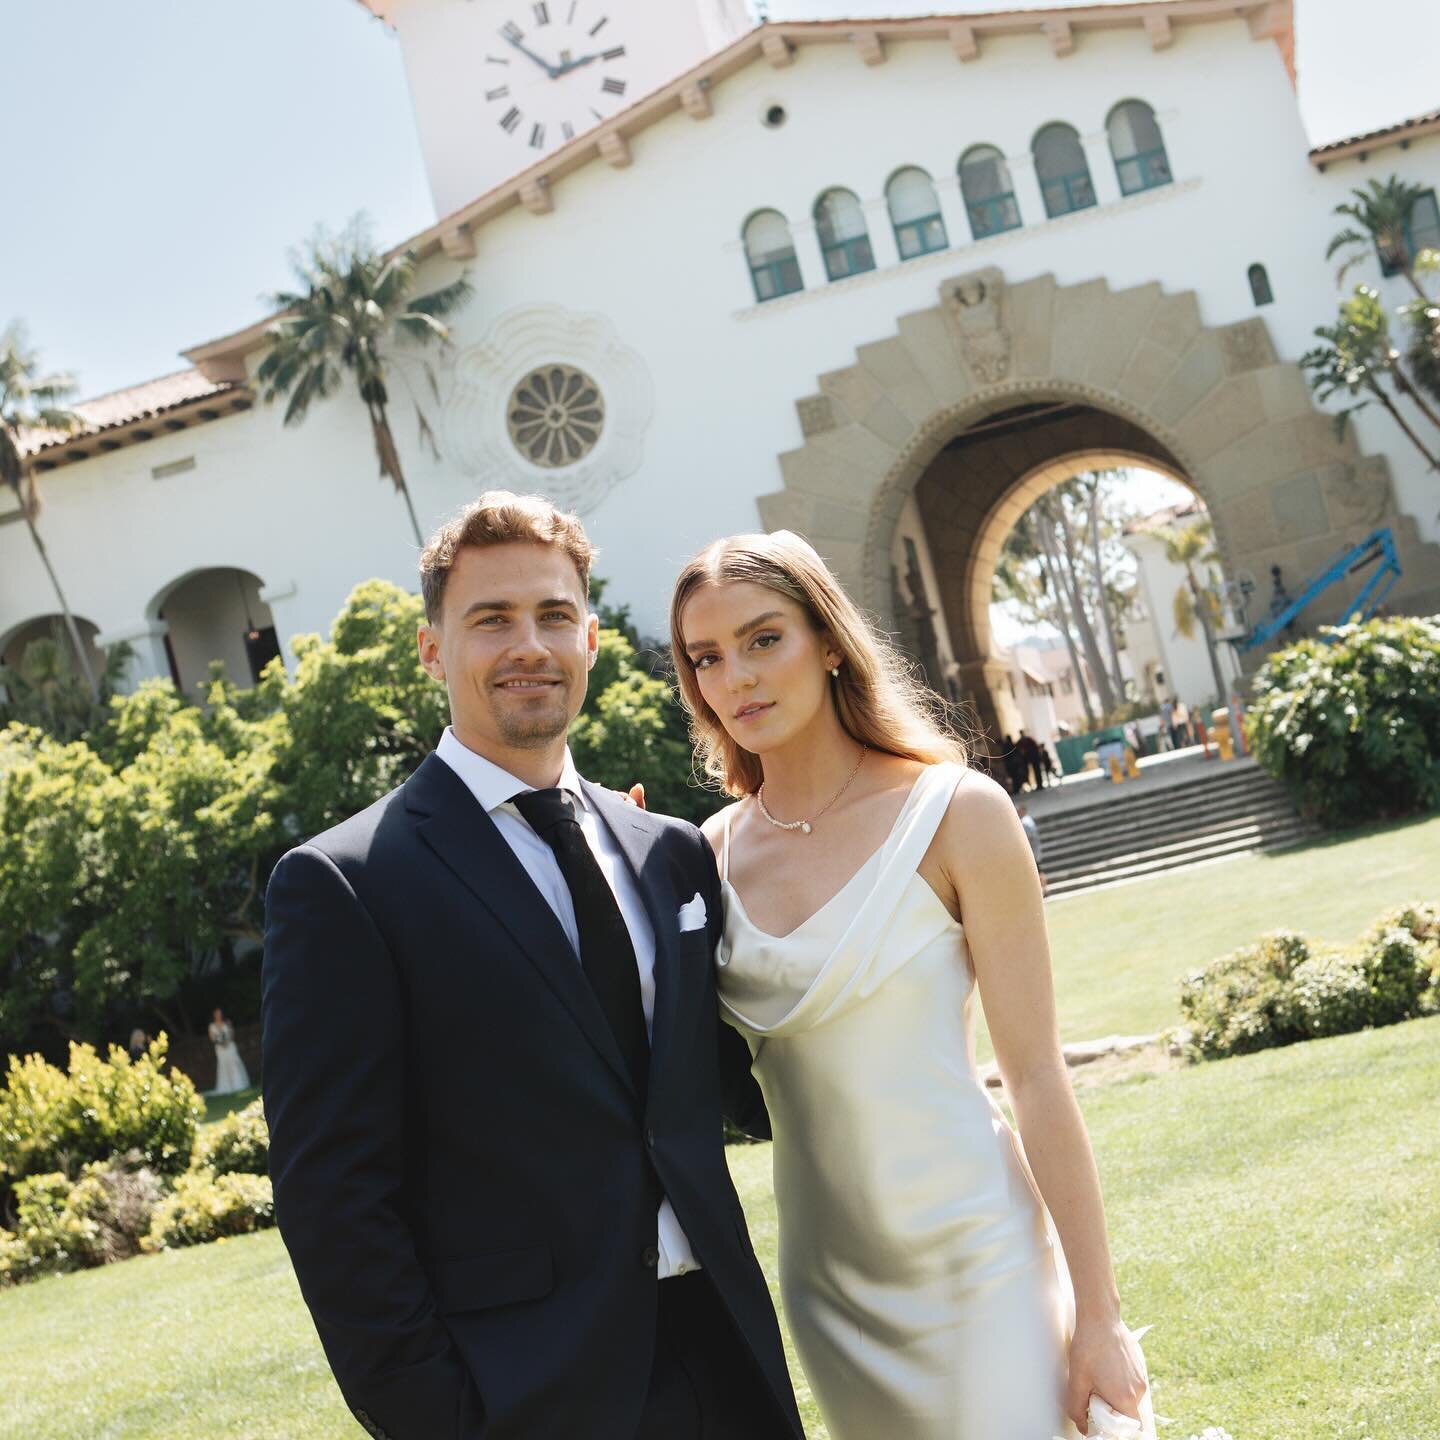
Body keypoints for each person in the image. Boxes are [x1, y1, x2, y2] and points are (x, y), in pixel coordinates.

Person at [262, 493, 801, 1440]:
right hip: (526, 1396)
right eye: (491, 620)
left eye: (554, 616)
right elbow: (335, 1204)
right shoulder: (344, 884)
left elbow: (738, 1089)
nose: (529, 645)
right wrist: (439, 1418)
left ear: (590, 639)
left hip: (728, 1358)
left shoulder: (669, 852)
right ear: (434, 650)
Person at [669, 531, 1149, 1440]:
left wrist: (1101, 1314)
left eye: (764, 639)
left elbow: (1039, 1078)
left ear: (829, 642)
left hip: (980, 1255)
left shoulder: (958, 813)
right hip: (831, 1283)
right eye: (708, 657)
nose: (736, 676)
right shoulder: (705, 858)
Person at [208, 1009, 250, 1094]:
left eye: (220, 1013)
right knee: (223, 1064)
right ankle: (227, 1086)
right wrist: (220, 1042)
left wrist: (227, 1041)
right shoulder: (211, 1026)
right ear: (214, 1015)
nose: (218, 1015)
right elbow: (212, 1038)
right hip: (220, 1049)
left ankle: (239, 1084)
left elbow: (232, 1034)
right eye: (217, 1014)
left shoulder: (227, 1022)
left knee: (234, 1062)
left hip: (230, 1046)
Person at [1017, 803, 1048, 896]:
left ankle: (1044, 889)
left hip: (1032, 852)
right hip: (1036, 850)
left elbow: (1028, 838)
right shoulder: (1029, 820)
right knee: (1039, 870)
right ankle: (1044, 889)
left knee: (1037, 871)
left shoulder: (1024, 822)